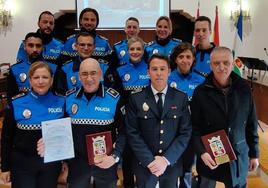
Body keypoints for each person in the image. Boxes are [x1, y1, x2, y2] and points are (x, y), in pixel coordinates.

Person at [191, 47, 259, 188]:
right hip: (210, 154)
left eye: (226, 63)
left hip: (238, 153)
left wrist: (254, 154)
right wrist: (201, 152)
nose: (221, 67)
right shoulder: (200, 92)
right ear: (210, 65)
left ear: (233, 63)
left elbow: (251, 124)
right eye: (216, 63)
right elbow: (194, 127)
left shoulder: (244, 89)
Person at [125, 54, 192, 188]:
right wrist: (149, 161)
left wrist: (166, 160)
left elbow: (185, 132)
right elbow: (132, 132)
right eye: (154, 69)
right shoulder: (136, 98)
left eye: (163, 69)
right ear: (148, 72)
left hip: (171, 164)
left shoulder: (181, 98)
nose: (159, 73)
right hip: (144, 165)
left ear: (169, 71)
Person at [0, 61, 65, 188]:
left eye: (45, 77)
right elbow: (6, 138)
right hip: (22, 165)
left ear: (51, 80)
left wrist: (66, 161)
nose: (40, 81)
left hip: (51, 165)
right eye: (36, 77)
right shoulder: (16, 102)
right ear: (30, 80)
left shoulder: (62, 102)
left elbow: (67, 134)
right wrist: (5, 167)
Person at [62, 58, 125, 188]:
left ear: (101, 74)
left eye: (93, 73)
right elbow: (62, 132)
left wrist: (115, 156)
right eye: (84, 74)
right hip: (77, 167)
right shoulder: (68, 99)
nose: (89, 78)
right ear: (79, 76)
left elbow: (124, 132)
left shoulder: (114, 99)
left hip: (106, 164)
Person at [168, 42, 205, 188]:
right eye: (181, 56)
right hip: (170, 132)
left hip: (191, 132)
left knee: (188, 167)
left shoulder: (201, 80)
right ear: (175, 59)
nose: (185, 60)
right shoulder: (167, 78)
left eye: (188, 57)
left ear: (193, 59)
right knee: (171, 166)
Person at [115, 36, 150, 188]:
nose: (135, 52)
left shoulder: (150, 69)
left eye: (139, 49)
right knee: (127, 158)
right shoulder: (120, 70)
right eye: (132, 49)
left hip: (147, 120)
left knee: (144, 157)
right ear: (127, 51)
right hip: (127, 120)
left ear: (143, 51)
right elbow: (117, 97)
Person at [7, 32, 57, 98]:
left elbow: (57, 96)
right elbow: (11, 97)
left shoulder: (54, 68)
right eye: (31, 45)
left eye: (38, 46)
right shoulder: (14, 70)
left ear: (43, 47)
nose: (35, 49)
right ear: (25, 47)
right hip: (24, 107)